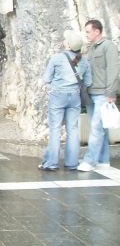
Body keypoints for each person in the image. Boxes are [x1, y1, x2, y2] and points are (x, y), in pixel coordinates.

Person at [39, 30, 92, 171]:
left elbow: (46, 79)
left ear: (68, 45)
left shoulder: (57, 58)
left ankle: (51, 163)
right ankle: (72, 163)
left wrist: (57, 85)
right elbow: (88, 82)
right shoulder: (84, 61)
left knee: (55, 129)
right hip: (75, 97)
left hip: (58, 96)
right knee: (73, 129)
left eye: (65, 39)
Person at [77, 19, 119, 171]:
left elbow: (114, 70)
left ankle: (90, 161)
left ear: (97, 31)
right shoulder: (89, 49)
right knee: (100, 127)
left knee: (96, 127)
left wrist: (110, 92)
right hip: (91, 94)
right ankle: (103, 160)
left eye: (88, 31)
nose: (86, 34)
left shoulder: (108, 46)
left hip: (103, 94)